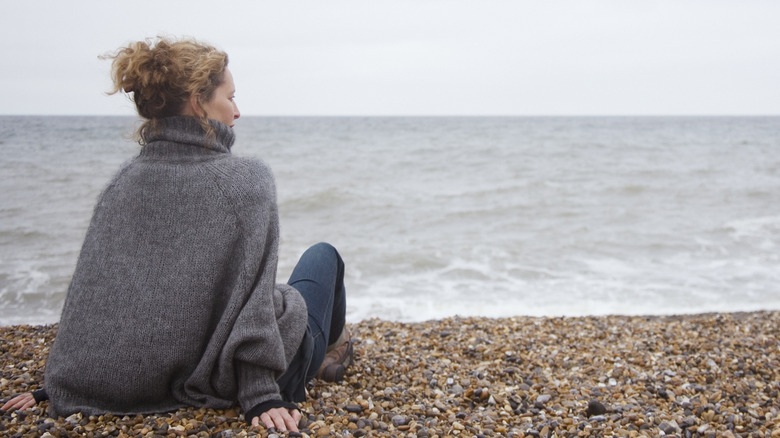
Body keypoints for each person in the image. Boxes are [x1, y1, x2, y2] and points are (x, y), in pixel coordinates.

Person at [0, 37, 352, 433]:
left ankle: (332, 347)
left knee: (283, 291)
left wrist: (64, 385)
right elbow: (253, 299)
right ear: (199, 103)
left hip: (137, 377)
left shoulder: (124, 181)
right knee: (323, 257)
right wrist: (260, 394)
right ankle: (333, 349)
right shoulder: (247, 181)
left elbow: (96, 296)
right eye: (230, 97)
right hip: (255, 376)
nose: (237, 110)